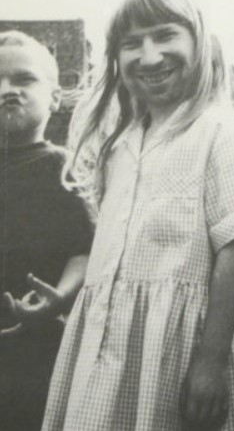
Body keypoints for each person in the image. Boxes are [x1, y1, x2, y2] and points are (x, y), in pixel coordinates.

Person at [43, 0, 234, 431]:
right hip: (110, 344)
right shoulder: (119, 143)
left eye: (165, 36)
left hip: (186, 345)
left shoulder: (217, 131)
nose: (149, 57)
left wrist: (210, 362)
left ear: (198, 43)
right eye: (132, 43)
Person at [0, 31, 93, 431]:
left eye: (24, 79)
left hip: (38, 346)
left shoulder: (64, 168)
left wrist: (61, 297)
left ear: (55, 98)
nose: (8, 90)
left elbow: (85, 248)